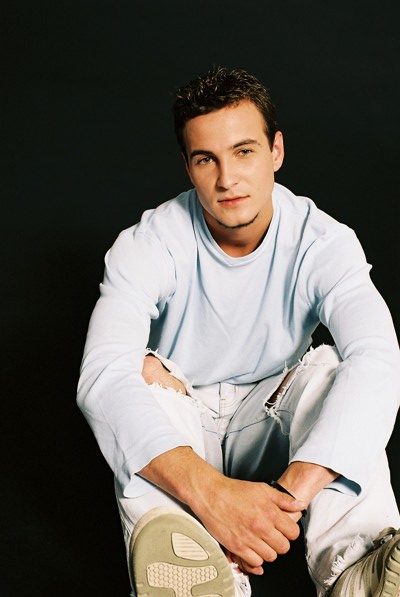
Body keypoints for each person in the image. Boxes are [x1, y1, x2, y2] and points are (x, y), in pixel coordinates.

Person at [77, 66, 400, 597]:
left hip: (272, 424)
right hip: (184, 427)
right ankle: (195, 569)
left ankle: (357, 568)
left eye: (243, 151)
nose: (227, 178)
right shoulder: (148, 242)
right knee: (135, 375)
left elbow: (378, 357)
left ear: (276, 151)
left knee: (334, 370)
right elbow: (101, 377)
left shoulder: (323, 241)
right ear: (188, 167)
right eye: (207, 159)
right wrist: (211, 495)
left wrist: (286, 499)